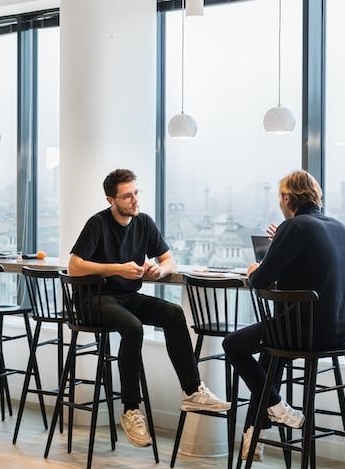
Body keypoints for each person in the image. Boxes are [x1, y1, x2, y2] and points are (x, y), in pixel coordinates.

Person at [69, 168, 229, 448]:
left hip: (126, 298)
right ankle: (131, 410)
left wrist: (160, 269)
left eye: (136, 193)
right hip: (93, 300)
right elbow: (74, 265)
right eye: (127, 196)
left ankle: (192, 390)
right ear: (111, 200)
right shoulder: (98, 223)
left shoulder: (144, 222)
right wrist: (117, 268)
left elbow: (169, 260)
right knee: (133, 328)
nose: (135, 200)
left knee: (173, 313)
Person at [223, 170, 345, 461]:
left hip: (305, 332)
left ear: (287, 198)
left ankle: (276, 406)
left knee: (233, 345)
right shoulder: (339, 227)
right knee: (270, 356)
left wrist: (254, 270)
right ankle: (254, 433)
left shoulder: (294, 227)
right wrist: (280, 244)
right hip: (341, 332)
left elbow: (260, 280)